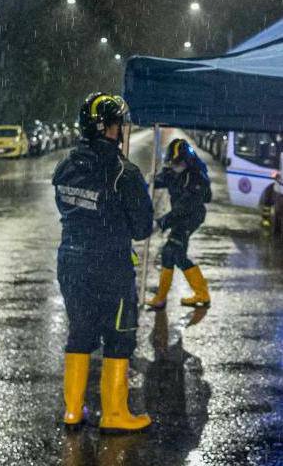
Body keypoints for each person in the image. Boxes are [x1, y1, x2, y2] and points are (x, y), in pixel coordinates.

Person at [53, 92, 154, 433]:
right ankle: (114, 414)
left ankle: (72, 410)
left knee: (79, 331)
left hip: (71, 261)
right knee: (119, 335)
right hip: (110, 265)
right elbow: (142, 228)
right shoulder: (123, 172)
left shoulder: (65, 165)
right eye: (118, 125)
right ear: (110, 129)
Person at [146, 138, 212, 309]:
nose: (174, 166)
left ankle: (197, 295)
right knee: (173, 255)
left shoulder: (196, 177)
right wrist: (150, 180)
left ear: (186, 161)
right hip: (179, 218)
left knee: (171, 251)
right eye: (173, 162)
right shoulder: (174, 171)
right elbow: (163, 179)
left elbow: (183, 208)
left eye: (178, 162)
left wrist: (161, 223)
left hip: (191, 217)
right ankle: (198, 294)